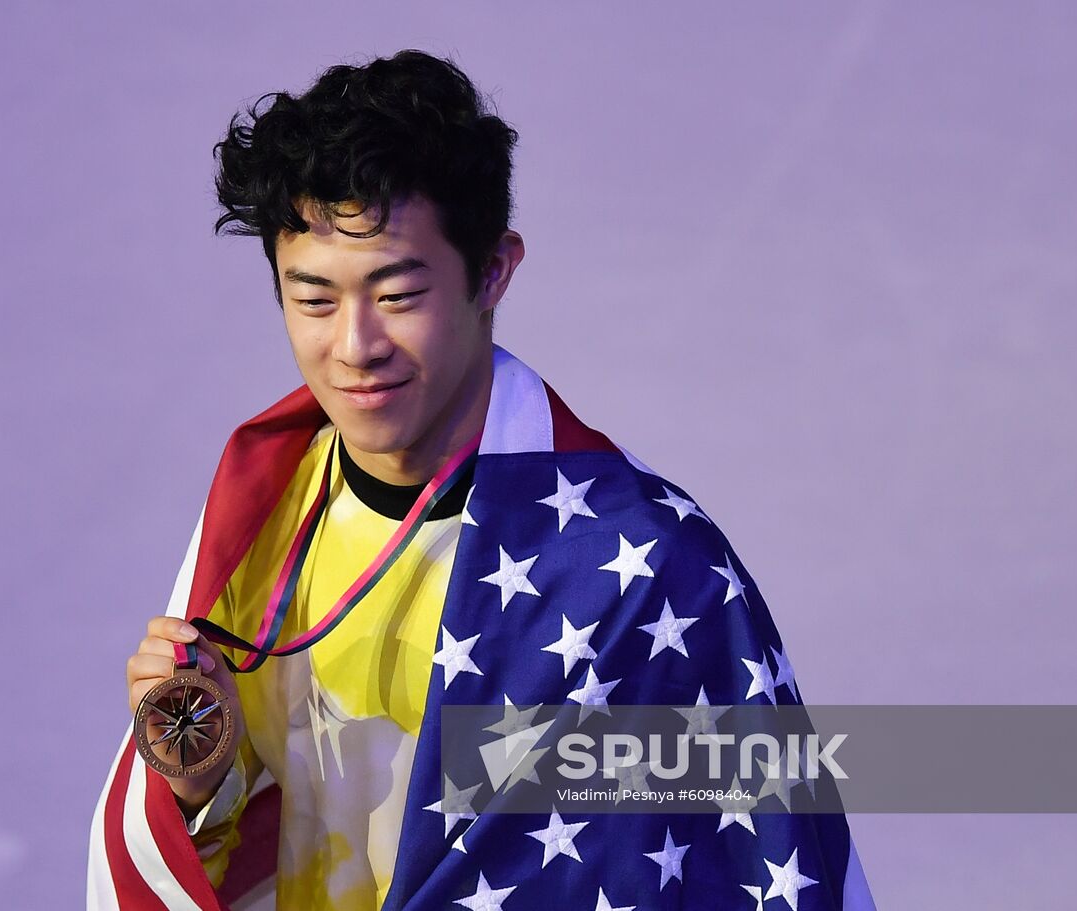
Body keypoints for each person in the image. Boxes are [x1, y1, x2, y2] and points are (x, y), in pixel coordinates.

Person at [87, 49, 875, 911]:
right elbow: (248, 825)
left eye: (396, 294)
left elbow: (746, 864)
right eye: (313, 299)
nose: (354, 346)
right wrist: (198, 773)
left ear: (494, 270)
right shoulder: (268, 512)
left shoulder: (644, 570)